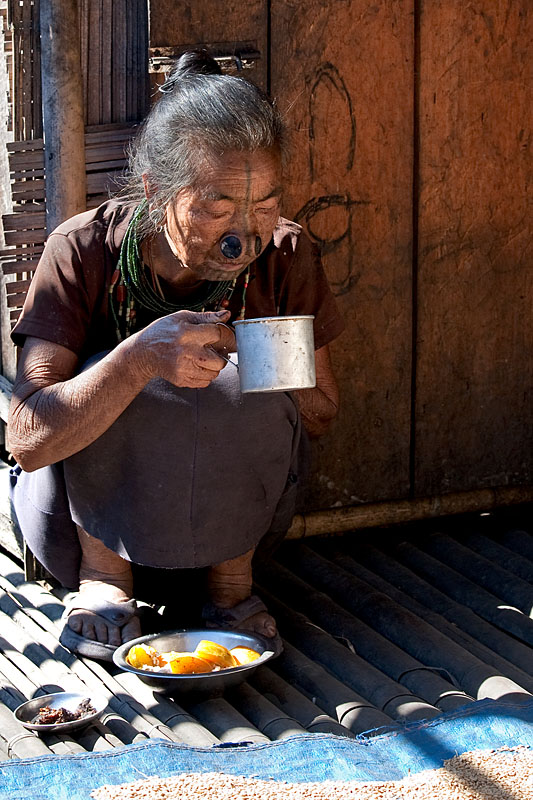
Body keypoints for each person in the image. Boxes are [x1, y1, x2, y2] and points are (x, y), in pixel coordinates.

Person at [7, 50, 344, 662]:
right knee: (100, 375)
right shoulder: (82, 251)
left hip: (234, 530)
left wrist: (258, 347)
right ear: (155, 190)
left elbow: (320, 413)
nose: (247, 230)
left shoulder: (285, 255)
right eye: (218, 207)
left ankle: (230, 588)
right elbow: (27, 441)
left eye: (265, 205)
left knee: (254, 375)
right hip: (76, 533)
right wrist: (135, 359)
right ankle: (107, 582)